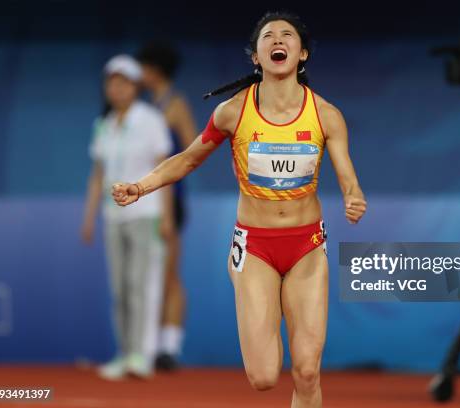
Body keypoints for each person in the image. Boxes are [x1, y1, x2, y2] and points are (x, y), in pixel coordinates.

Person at [111, 12, 366, 407]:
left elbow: (347, 173)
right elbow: (187, 159)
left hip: (307, 246)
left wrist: (353, 195)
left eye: (287, 35)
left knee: (307, 370)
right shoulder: (233, 112)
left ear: (302, 55)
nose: (277, 40)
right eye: (268, 36)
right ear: (256, 56)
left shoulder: (326, 115)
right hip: (256, 248)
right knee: (264, 376)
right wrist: (141, 186)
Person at [81, 54, 174, 380]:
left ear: (135, 86)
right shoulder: (103, 124)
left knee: (140, 285)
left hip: (145, 213)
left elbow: (165, 170)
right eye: (111, 82)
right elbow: (97, 176)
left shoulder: (151, 119)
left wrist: (166, 216)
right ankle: (124, 353)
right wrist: (89, 217)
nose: (116, 88)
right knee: (119, 289)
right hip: (112, 217)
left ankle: (140, 355)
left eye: (123, 82)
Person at [137, 42, 197, 370]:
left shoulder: (174, 104)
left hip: (170, 199)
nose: (140, 74)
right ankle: (151, 345)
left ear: (155, 69)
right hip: (147, 199)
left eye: (143, 67)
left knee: (170, 274)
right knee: (151, 276)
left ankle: (170, 348)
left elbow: (193, 148)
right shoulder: (148, 105)